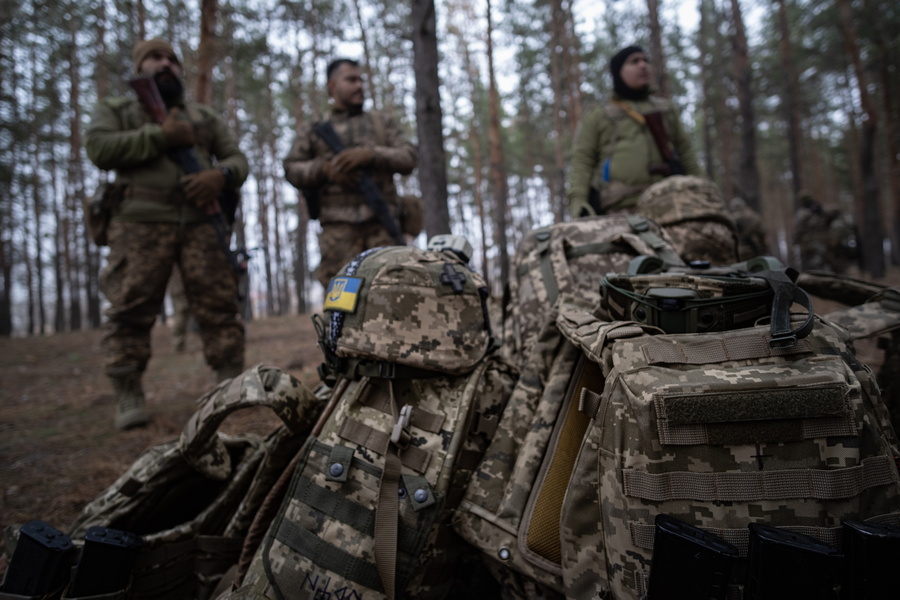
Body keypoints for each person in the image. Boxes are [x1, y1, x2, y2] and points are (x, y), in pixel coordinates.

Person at [85, 38, 249, 430]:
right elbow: (98, 148)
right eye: (155, 58)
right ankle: (128, 391)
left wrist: (218, 176)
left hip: (201, 224)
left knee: (219, 305)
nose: (166, 64)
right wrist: (161, 137)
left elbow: (237, 159)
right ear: (139, 67)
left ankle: (228, 386)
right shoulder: (118, 110)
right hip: (139, 222)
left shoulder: (204, 117)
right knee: (130, 307)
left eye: (173, 60)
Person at [283, 58, 418, 289]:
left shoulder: (381, 123)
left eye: (361, 80)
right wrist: (325, 169)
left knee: (393, 300)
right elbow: (291, 168)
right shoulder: (315, 129)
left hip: (383, 227)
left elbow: (408, 157)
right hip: (338, 234)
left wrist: (371, 154)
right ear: (332, 86)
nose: (359, 86)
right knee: (343, 308)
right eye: (351, 80)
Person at [567, 45, 702, 218]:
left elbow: (686, 153)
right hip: (620, 210)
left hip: (672, 205)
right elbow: (582, 161)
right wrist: (578, 202)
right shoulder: (599, 116)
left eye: (646, 60)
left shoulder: (666, 110)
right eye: (634, 61)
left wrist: (702, 188)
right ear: (618, 72)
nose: (643, 65)